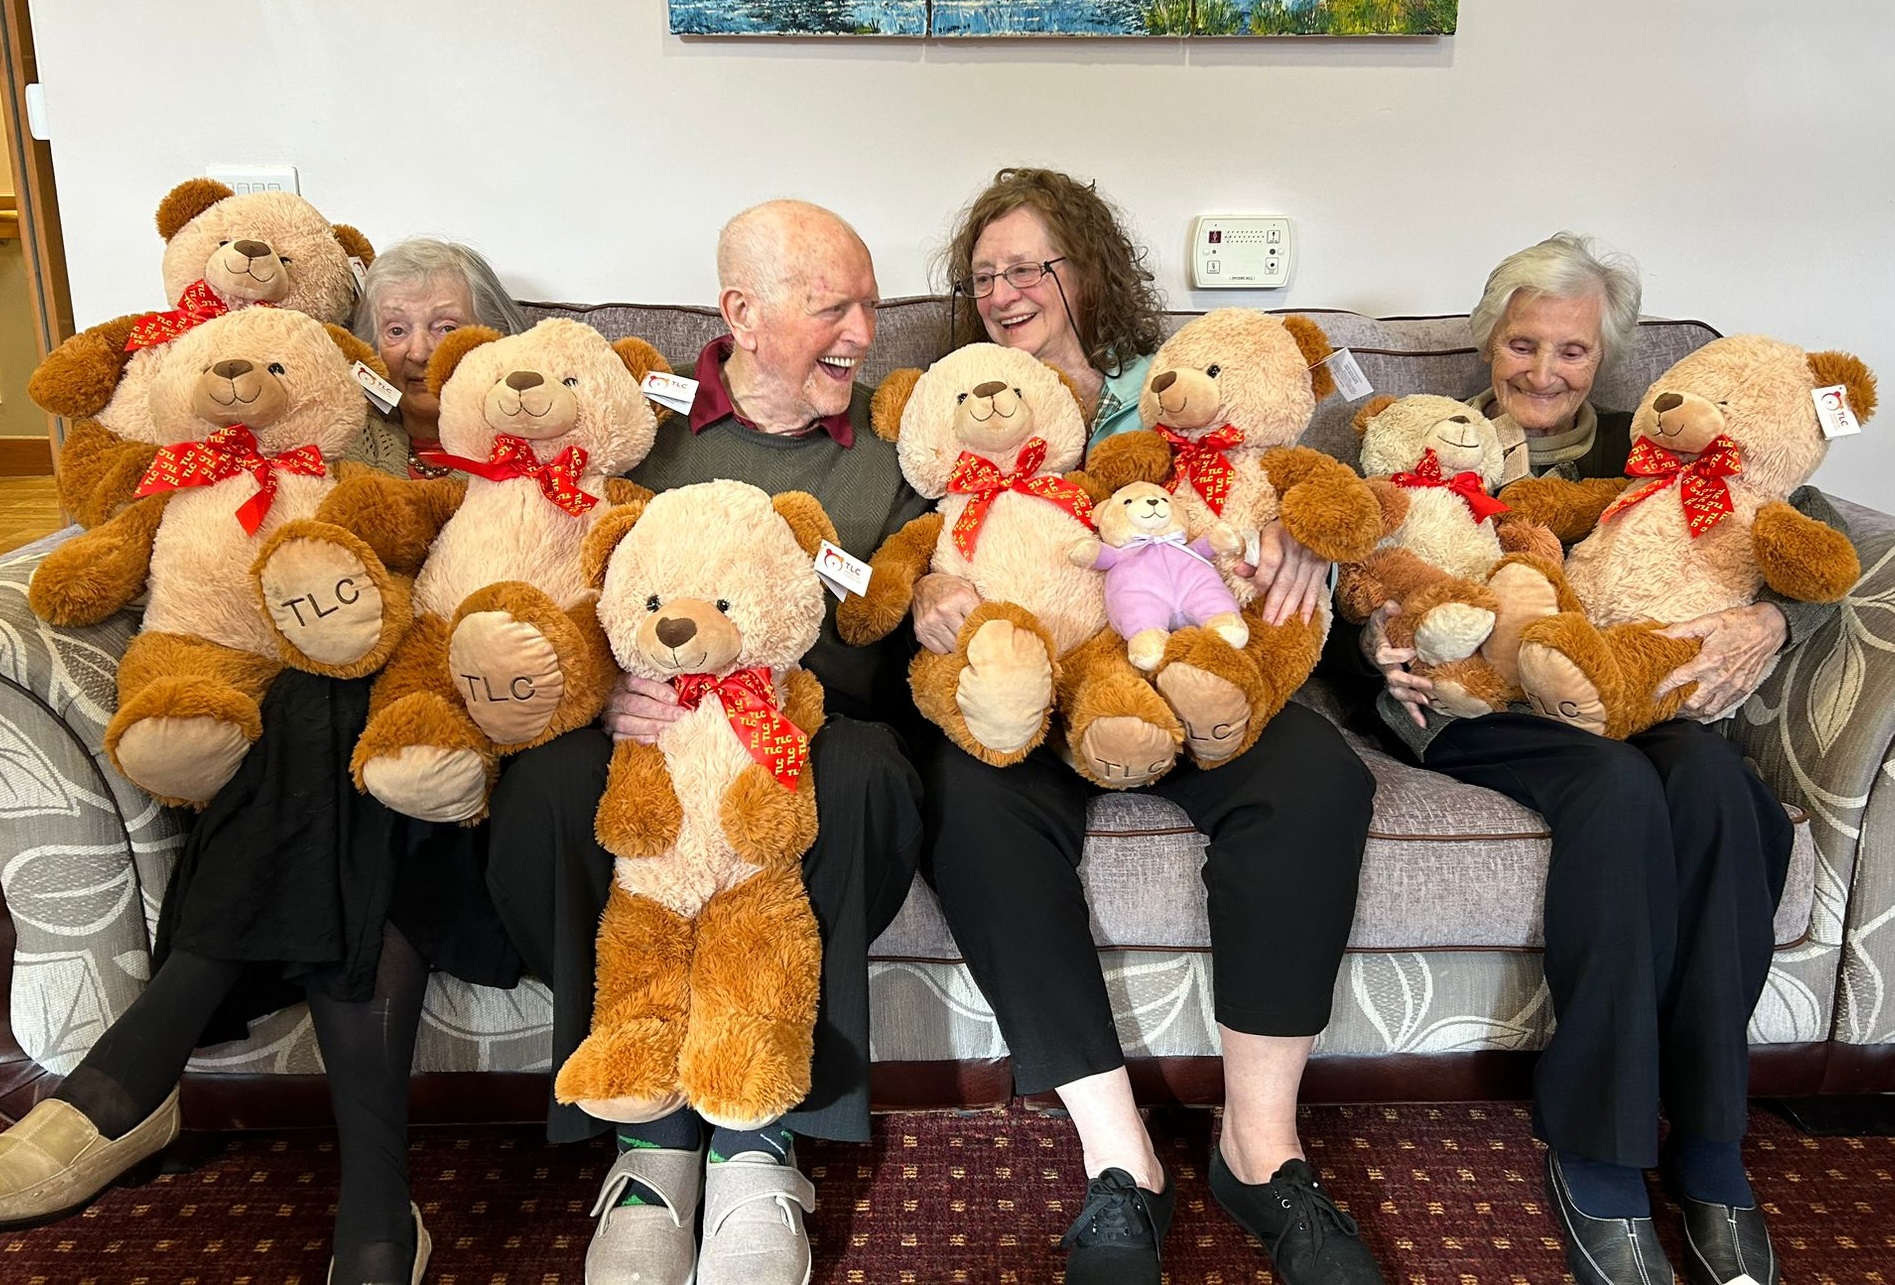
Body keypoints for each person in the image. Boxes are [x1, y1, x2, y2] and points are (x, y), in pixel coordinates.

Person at [0, 240, 532, 1283]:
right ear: (357, 347)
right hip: (353, 809)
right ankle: (377, 1207)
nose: (421, 350)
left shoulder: (553, 446)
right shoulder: (324, 442)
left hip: (480, 785)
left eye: (446, 322)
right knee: (325, 699)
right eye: (395, 325)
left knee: (339, 699)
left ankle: (131, 1076)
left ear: (499, 339)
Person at [920, 166, 1386, 1285]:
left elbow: (1271, 478)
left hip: (1182, 675)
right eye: (983, 274)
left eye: (1030, 265)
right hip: (1037, 693)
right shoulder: (952, 401)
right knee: (967, 806)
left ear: (1087, 269)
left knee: (1317, 779)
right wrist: (933, 599)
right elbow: (920, 544)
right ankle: (1118, 1160)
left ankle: (1257, 1148)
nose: (1004, 290)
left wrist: (1304, 537)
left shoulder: (1166, 387)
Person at [1358, 232, 1846, 1285]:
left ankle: (1712, 1148)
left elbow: (1789, 536)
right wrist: (1379, 646)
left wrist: (1766, 623)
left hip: (1628, 687)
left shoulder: (1652, 447)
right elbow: (1360, 559)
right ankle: (1600, 1152)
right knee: (1616, 794)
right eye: (1521, 343)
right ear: (1488, 342)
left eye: (1569, 351)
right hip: (1479, 702)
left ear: (1603, 357)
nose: (1542, 370)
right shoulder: (1424, 447)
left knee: (1723, 794)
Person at [479, 198, 929, 1285]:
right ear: (741, 310)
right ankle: (649, 1142)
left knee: (866, 773)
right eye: (836, 308)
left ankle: (759, 1134)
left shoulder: (890, 442)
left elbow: (917, 590)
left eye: (869, 305)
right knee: (548, 783)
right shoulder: (647, 431)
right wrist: (596, 697)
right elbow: (573, 581)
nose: (865, 334)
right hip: (656, 734)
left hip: (820, 733)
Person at [348, 238, 530, 477]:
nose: (419, 353)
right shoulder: (347, 440)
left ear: (496, 336)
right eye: (396, 330)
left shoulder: (537, 441)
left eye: (446, 328)